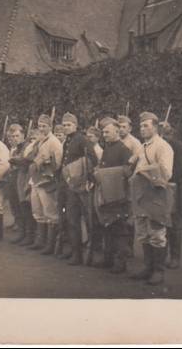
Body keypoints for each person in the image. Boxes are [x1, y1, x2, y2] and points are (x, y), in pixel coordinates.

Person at [128, 111, 175, 286]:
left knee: (157, 233)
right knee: (142, 233)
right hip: (140, 194)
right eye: (140, 125)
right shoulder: (143, 146)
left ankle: (158, 271)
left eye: (146, 125)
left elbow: (166, 173)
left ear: (155, 127)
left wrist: (143, 171)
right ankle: (148, 267)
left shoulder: (163, 146)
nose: (142, 128)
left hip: (156, 194)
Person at [94, 118, 134, 273]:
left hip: (118, 195)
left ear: (117, 132)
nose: (104, 135)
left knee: (120, 229)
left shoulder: (124, 150)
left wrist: (105, 175)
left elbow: (128, 171)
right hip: (107, 193)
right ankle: (108, 258)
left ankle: (120, 262)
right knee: (108, 226)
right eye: (103, 132)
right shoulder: (108, 148)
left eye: (107, 132)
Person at [57, 112, 96, 265]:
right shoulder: (67, 140)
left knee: (87, 220)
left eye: (69, 125)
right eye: (64, 125)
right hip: (69, 186)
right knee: (71, 219)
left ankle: (89, 253)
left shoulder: (82, 139)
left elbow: (92, 159)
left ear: (76, 125)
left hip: (81, 186)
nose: (66, 127)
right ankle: (76, 253)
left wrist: (87, 179)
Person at [29, 115, 63, 253]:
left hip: (47, 181)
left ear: (50, 126)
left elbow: (58, 164)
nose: (41, 128)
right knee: (37, 211)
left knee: (50, 212)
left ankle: (50, 245)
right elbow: (28, 155)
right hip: (35, 180)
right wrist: (36, 142)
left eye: (44, 126)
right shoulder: (39, 140)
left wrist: (46, 163)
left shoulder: (54, 142)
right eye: (40, 126)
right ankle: (40, 241)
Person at [160, 120, 182, 269]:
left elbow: (180, 170)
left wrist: (164, 178)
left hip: (174, 189)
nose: (164, 134)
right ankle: (162, 255)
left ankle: (175, 257)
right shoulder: (159, 146)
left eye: (166, 131)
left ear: (171, 131)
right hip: (160, 188)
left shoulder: (178, 147)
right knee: (162, 223)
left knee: (174, 223)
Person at [6, 124, 36, 244]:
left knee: (24, 207)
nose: (15, 138)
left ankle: (29, 235)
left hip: (24, 179)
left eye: (17, 136)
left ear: (23, 135)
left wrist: (17, 160)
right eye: (12, 136)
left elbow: (28, 161)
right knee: (15, 206)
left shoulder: (28, 147)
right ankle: (21, 232)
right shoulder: (14, 148)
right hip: (13, 179)